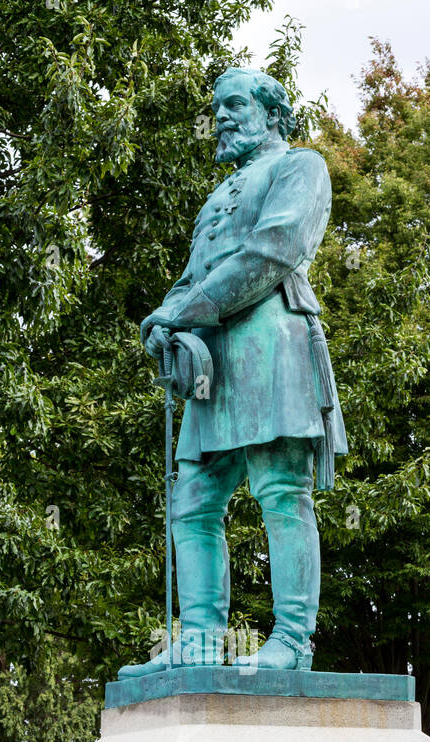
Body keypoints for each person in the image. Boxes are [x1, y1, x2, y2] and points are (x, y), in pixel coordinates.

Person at [118, 66, 346, 680]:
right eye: (216, 107)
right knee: (190, 499)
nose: (220, 116)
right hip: (210, 360)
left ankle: (293, 639)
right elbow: (195, 274)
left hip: (271, 341)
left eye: (234, 104)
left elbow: (274, 250)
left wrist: (185, 310)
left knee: (279, 489)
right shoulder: (219, 195)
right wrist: (166, 318)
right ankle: (198, 640)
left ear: (272, 112)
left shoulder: (301, 166)